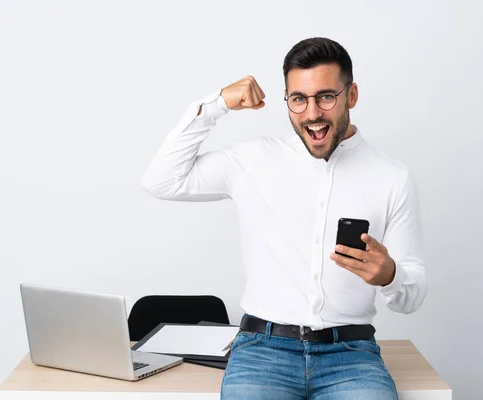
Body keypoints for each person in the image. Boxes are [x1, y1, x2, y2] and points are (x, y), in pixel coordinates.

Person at [141, 37, 427, 400]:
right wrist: (215, 105)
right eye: (298, 99)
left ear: (351, 96)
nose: (312, 114)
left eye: (326, 96)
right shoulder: (255, 160)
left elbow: (412, 295)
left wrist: (389, 275)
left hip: (351, 357)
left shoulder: (391, 177)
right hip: (263, 352)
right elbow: (160, 180)